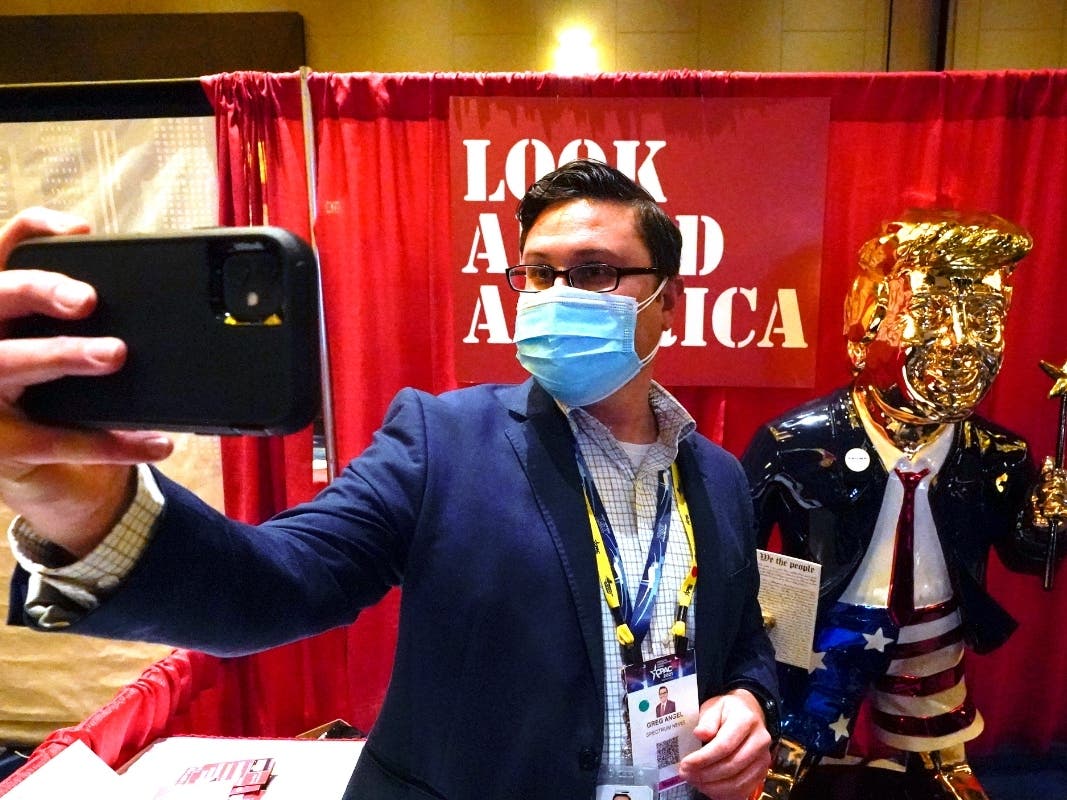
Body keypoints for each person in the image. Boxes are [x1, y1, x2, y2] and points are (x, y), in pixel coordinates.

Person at [1, 160, 778, 800]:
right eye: (537, 274)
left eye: (595, 272)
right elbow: (278, 584)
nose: (556, 295)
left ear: (668, 305)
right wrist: (78, 500)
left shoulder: (716, 475)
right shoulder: (444, 441)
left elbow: (743, 639)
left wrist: (748, 699)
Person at [741, 209, 1067, 800]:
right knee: (808, 711)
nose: (960, 344)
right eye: (933, 313)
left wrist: (1045, 525)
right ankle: (792, 749)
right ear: (868, 323)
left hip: (935, 624)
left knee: (936, 709)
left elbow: (1023, 556)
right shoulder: (794, 442)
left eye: (984, 316)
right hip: (827, 624)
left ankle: (941, 754)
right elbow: (741, 551)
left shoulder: (997, 453)